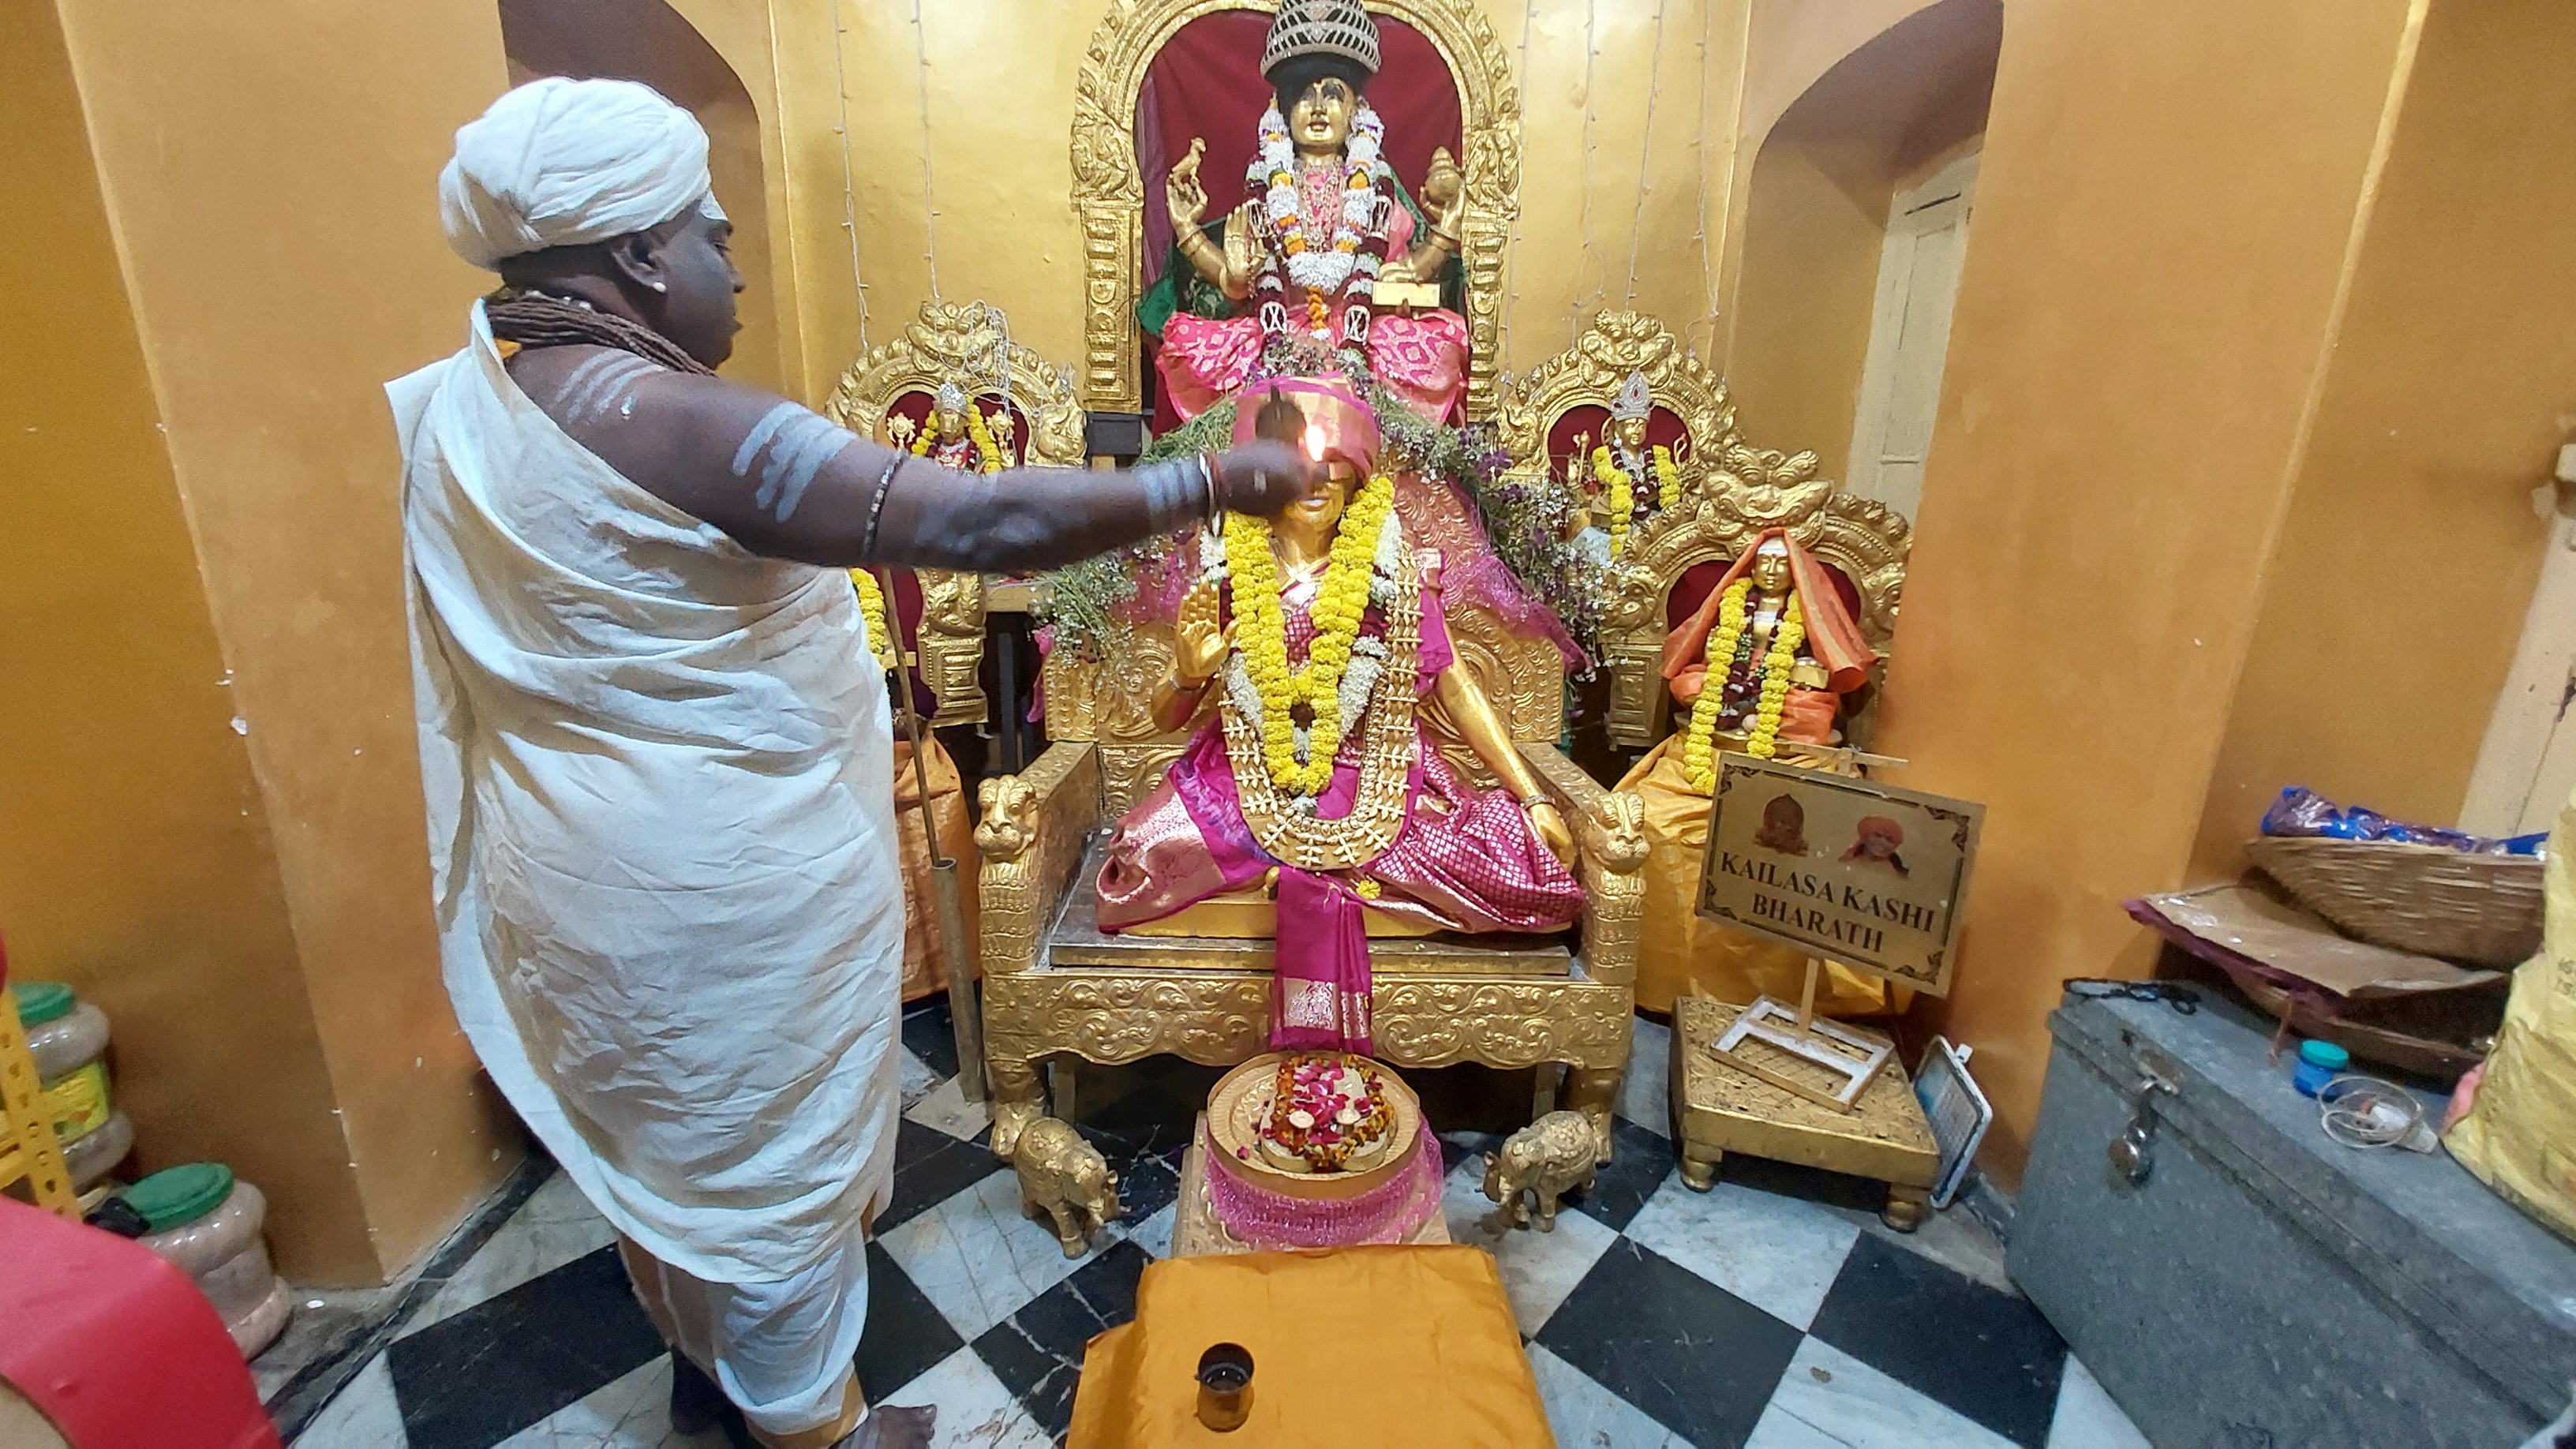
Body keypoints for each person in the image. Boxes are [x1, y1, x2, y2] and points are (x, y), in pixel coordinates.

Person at [390, 77, 1309, 1449]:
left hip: (573, 869)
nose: (734, 262)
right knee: (766, 1185)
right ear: (636, 254)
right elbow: (983, 522)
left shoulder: (470, 408)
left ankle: (717, 1372)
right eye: (710, 234)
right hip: (711, 890)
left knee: (672, 1155)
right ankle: (806, 1422)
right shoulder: (671, 422)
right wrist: (1215, 482)